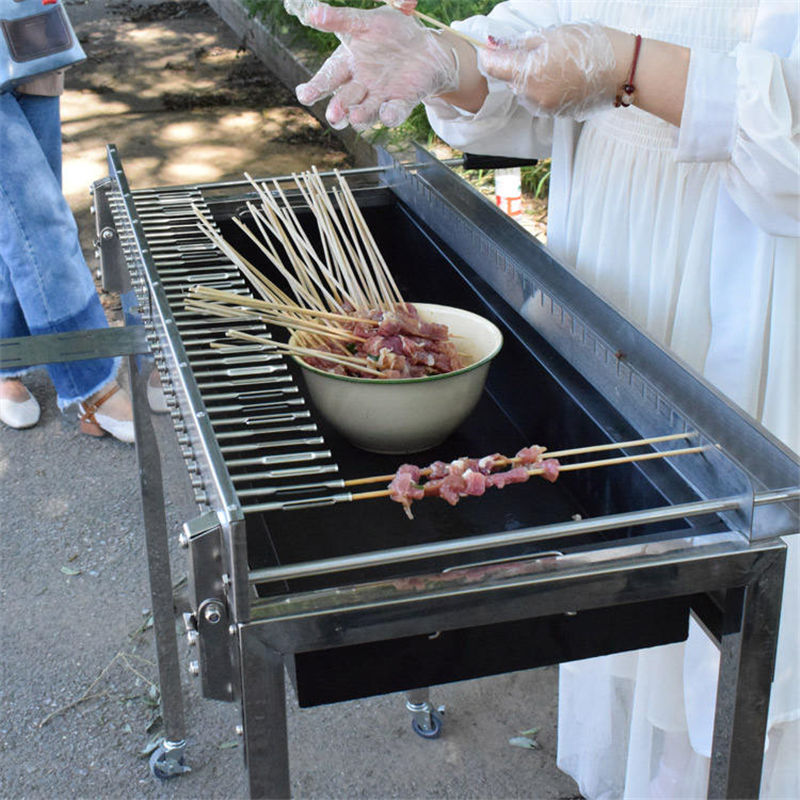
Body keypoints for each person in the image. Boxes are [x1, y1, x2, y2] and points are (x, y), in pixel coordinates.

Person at [284, 0, 799, 797]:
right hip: (618, 283)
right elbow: (536, 44)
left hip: (761, 289)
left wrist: (627, 67)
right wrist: (450, 61)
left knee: (745, 592)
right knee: (640, 568)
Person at [0, 69, 136, 442]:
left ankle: (6, 355)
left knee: (15, 220)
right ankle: (90, 383)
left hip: (22, 33)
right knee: (40, 220)